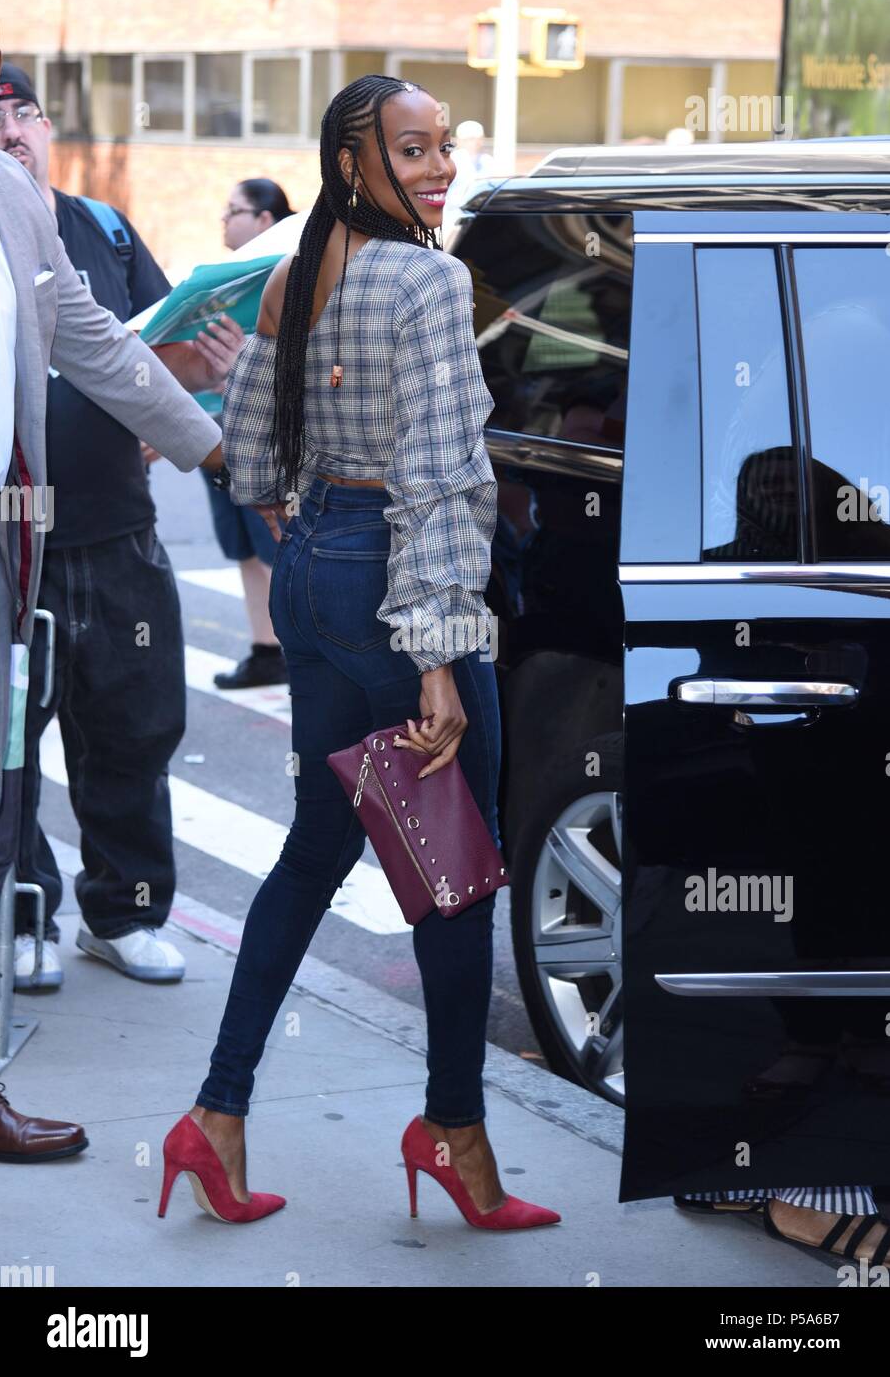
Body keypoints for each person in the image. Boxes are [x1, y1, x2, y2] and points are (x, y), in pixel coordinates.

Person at [157, 75, 560, 1231]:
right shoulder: (428, 280)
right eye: (411, 149)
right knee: (453, 873)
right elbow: (443, 473)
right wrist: (437, 653)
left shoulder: (297, 277)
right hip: (399, 587)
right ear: (351, 163)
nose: (437, 167)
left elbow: (244, 454)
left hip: (320, 573)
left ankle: (216, 1118)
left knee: (319, 845)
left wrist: (309, 523)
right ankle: (453, 1135)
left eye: (442, 147)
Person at [0, 46, 223, 1156]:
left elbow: (104, 339)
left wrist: (208, 440)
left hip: (75, 524)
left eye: (20, 112)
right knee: (9, 748)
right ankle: (24, 916)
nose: (9, 131)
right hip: (17, 528)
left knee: (120, 723)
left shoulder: (62, 219)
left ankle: (117, 913)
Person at [204, 179, 296, 689]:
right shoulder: (224, 280)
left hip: (265, 436)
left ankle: (290, 644)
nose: (225, 220)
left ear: (265, 220)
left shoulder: (296, 275)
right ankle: (265, 648)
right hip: (219, 428)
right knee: (239, 542)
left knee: (274, 541)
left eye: (234, 210)